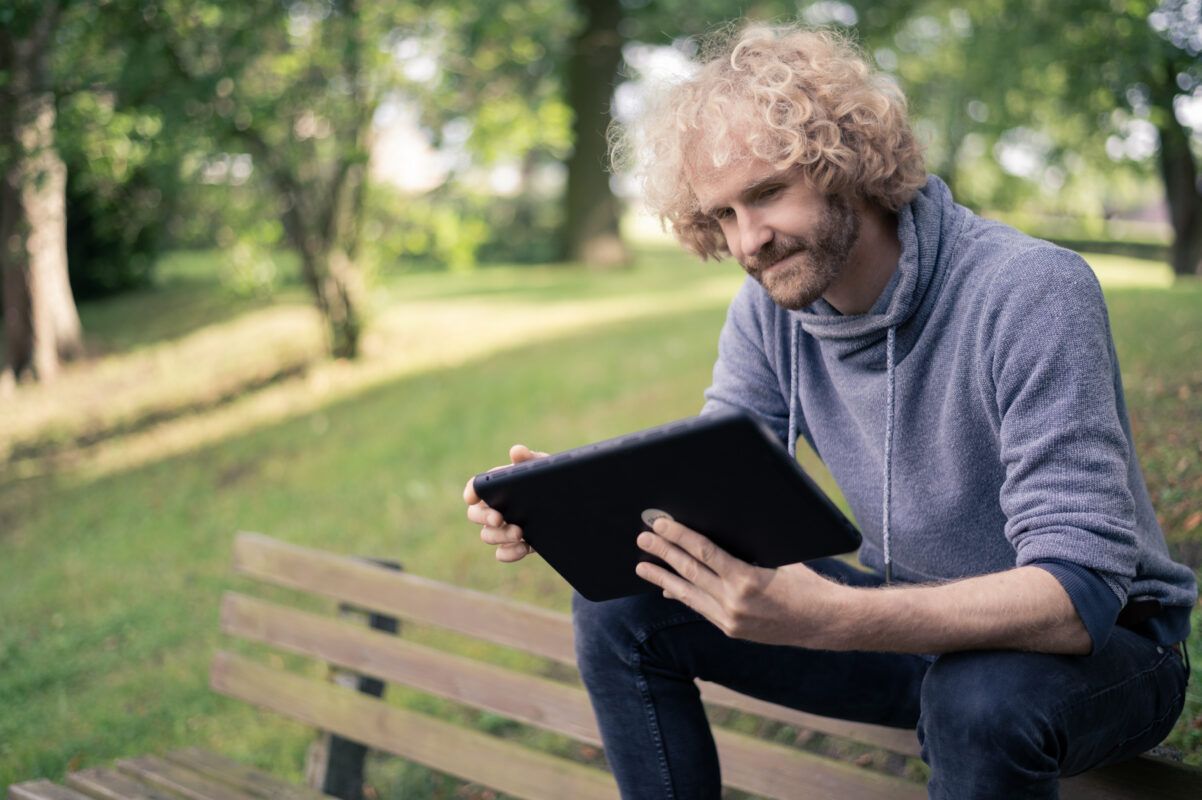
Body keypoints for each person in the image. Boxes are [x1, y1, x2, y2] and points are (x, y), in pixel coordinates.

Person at [463, 23, 1196, 799]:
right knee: (622, 610)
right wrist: (582, 506)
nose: (750, 242)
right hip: (910, 633)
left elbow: (1079, 596)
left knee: (978, 702)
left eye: (767, 192)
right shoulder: (768, 313)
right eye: (723, 215)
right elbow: (713, 489)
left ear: (846, 162)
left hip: (1105, 651)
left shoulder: (1031, 291)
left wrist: (830, 618)